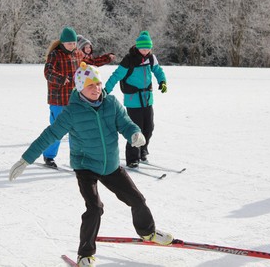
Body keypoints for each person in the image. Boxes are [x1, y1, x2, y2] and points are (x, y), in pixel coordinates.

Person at [9, 63, 173, 267]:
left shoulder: (111, 103)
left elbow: (125, 123)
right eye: (90, 86)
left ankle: (147, 232)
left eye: (98, 83)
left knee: (137, 200)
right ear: (80, 88)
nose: (96, 88)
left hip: (110, 164)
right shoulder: (71, 112)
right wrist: (26, 159)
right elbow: (50, 135)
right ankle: (85, 253)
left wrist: (134, 133)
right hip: (85, 165)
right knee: (94, 208)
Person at [105, 31, 167, 168]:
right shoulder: (129, 59)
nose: (146, 51)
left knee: (149, 127)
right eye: (143, 48)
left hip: (147, 99)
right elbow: (116, 75)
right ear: (138, 47)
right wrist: (106, 90)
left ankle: (143, 149)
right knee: (135, 129)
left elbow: (158, 71)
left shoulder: (151, 58)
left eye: (148, 48)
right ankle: (132, 158)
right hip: (133, 100)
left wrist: (162, 81)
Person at [42, 26, 84, 168]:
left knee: (76, 129)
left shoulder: (78, 54)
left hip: (74, 99)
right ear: (63, 43)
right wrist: (60, 79)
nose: (72, 45)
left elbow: (89, 63)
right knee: (58, 129)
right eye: (69, 43)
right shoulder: (55, 54)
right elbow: (48, 72)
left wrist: (105, 59)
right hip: (58, 99)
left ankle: (77, 157)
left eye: (74, 43)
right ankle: (48, 156)